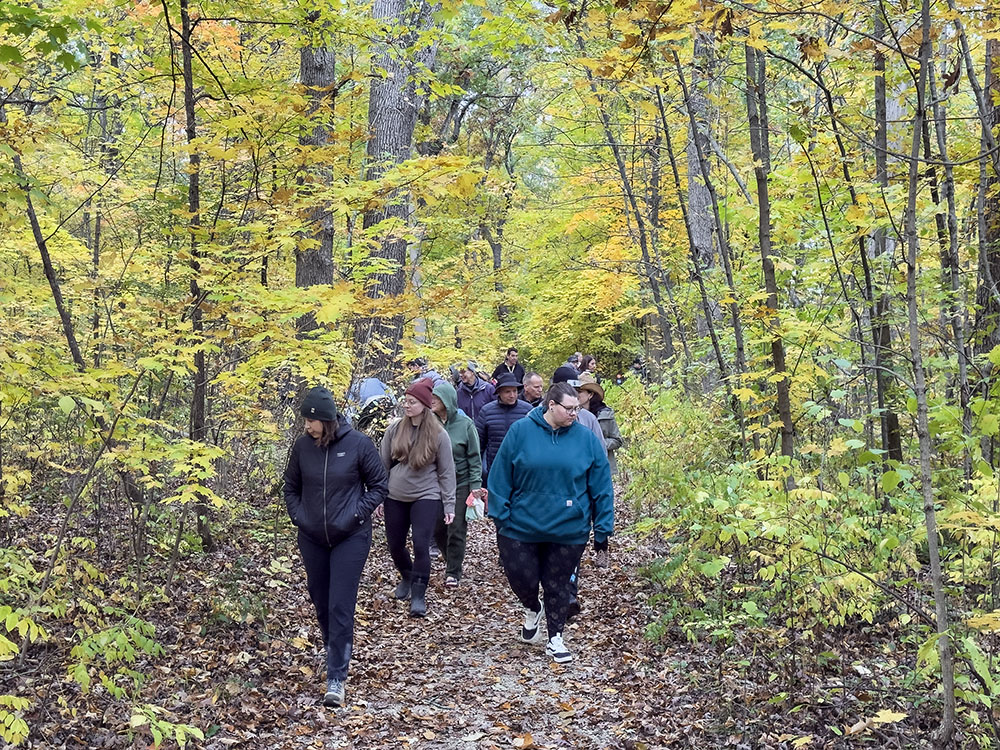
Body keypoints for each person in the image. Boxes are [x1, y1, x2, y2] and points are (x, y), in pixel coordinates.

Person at [487, 382, 614, 664]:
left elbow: (602, 486)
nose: (574, 414)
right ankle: (532, 607)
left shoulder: (586, 439)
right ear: (551, 406)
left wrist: (602, 531)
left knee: (557, 584)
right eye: (569, 409)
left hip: (569, 528)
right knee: (522, 578)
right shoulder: (521, 432)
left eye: (577, 409)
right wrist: (501, 514)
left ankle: (555, 638)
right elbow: (500, 474)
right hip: (520, 525)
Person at [284, 386, 388, 707]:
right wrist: (300, 517)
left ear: (326, 420)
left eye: (311, 421)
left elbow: (380, 485)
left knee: (340, 603)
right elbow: (290, 487)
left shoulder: (358, 444)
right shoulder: (302, 447)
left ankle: (336, 677)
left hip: (350, 537)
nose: (306, 426)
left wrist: (356, 514)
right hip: (312, 537)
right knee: (320, 599)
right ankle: (335, 647)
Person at [379, 378, 456, 617]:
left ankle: (419, 595)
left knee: (422, 544)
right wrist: (379, 496)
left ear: (424, 404)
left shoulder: (439, 434)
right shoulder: (394, 429)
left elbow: (446, 471)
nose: (406, 405)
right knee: (395, 544)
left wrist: (449, 504)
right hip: (395, 495)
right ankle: (407, 576)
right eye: (405, 401)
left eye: (412, 402)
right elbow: (382, 464)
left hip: (426, 495)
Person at [430, 381, 485, 586]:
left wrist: (475, 485)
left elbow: (474, 457)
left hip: (460, 483)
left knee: (456, 526)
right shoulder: (429, 422)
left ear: (448, 401)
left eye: (437, 398)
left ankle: (453, 570)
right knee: (437, 527)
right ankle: (448, 556)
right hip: (435, 483)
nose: (432, 401)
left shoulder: (465, 424)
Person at [577, 373, 624, 569]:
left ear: (590, 394)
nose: (577, 395)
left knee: (602, 509)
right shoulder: (572, 414)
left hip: (601, 468)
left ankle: (601, 549)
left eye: (581, 391)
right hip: (579, 469)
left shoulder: (605, 414)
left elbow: (618, 439)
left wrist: (598, 445)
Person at [475, 372, 532, 484]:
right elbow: (479, 444)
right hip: (495, 469)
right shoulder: (487, 411)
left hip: (523, 469)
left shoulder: (527, 411)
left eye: (514, 391)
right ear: (499, 393)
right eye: (507, 392)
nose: (512, 395)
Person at [551, 366, 606, 451]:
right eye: (568, 390)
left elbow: (600, 453)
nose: (573, 394)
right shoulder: (536, 417)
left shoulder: (589, 418)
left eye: (576, 390)